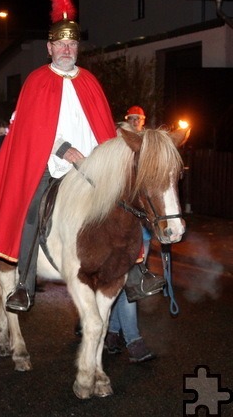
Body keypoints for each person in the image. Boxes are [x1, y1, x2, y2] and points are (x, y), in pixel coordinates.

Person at [0, 0, 117, 312]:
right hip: (49, 167)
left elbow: (102, 131)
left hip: (90, 171)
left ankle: (135, 270)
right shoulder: (37, 81)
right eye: (60, 43)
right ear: (49, 48)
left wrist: (105, 160)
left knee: (124, 207)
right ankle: (24, 286)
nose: (67, 49)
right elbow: (33, 131)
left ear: (77, 49)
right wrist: (65, 150)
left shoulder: (90, 83)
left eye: (72, 43)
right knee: (32, 212)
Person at [104, 105, 163, 363]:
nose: (136, 122)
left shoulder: (148, 147)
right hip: (123, 227)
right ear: (126, 120)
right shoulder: (119, 144)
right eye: (132, 118)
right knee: (127, 282)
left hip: (143, 232)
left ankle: (113, 333)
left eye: (139, 119)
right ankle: (133, 340)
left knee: (126, 281)